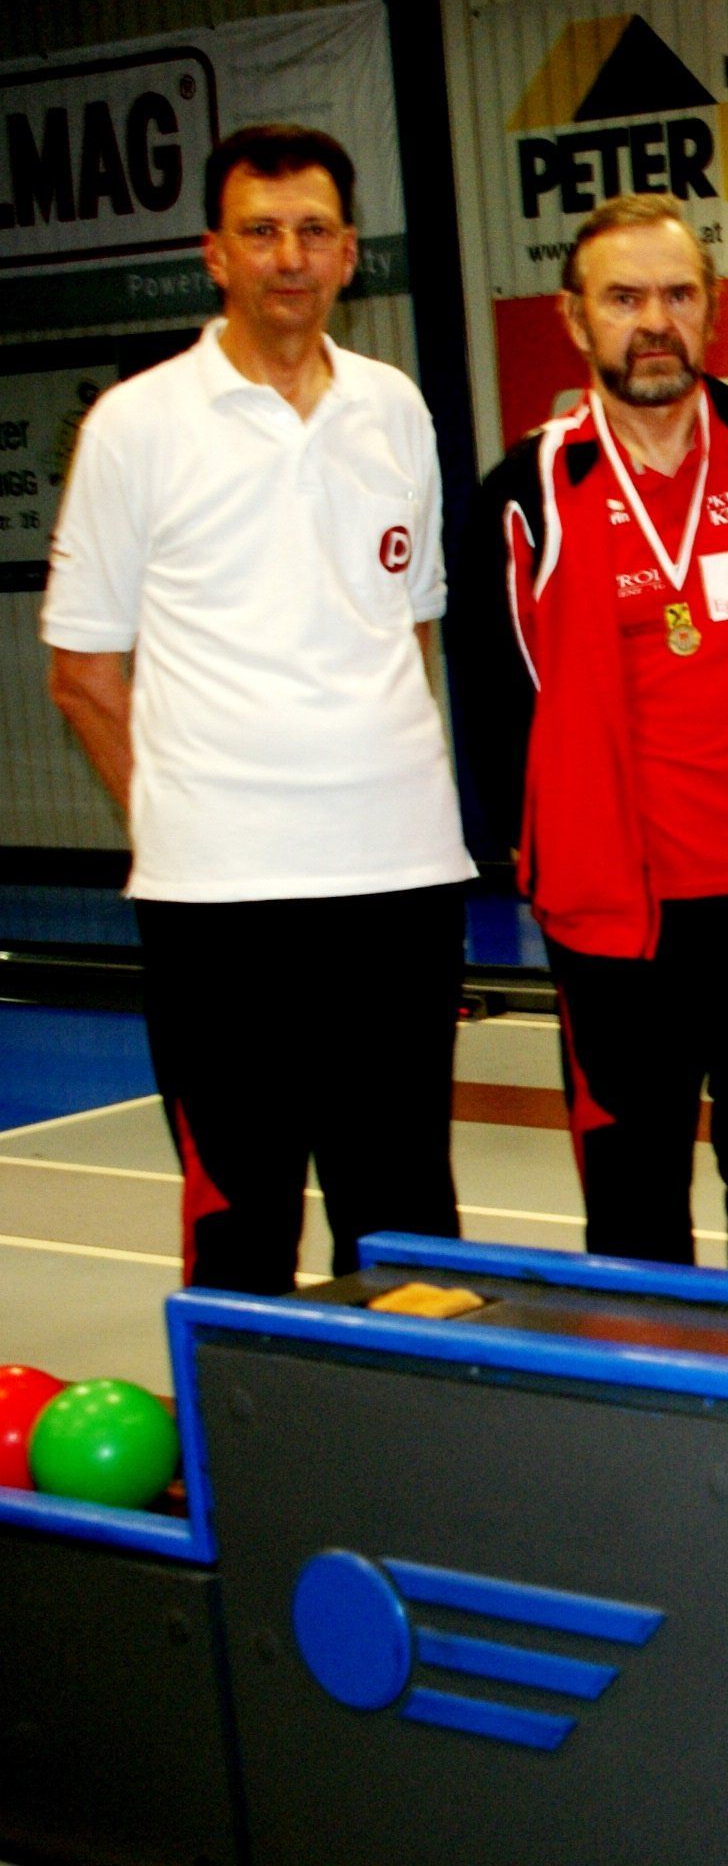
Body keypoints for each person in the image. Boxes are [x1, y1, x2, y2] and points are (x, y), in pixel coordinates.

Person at [43, 123, 472, 1295]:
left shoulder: (395, 409)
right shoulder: (135, 425)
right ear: (215, 254)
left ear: (349, 254)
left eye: (314, 231)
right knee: (244, 1219)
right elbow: (82, 671)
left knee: (406, 1216)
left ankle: (400, 1416)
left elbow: (407, 626)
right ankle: (251, 1424)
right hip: (219, 904)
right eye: (262, 231)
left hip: (400, 882)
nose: (290, 257)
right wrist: (188, 819)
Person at [475, 194, 728, 1282]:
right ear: (575, 316)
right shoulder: (528, 492)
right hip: (618, 924)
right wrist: (553, 863)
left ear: (713, 309)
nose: (654, 321)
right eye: (624, 298)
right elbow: (498, 709)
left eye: (678, 295)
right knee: (637, 1216)